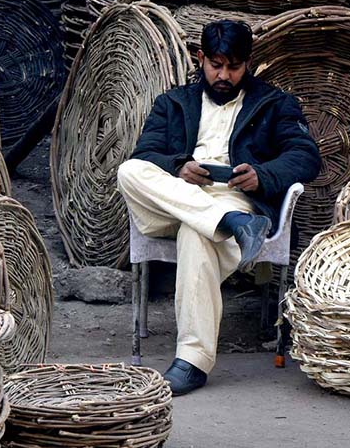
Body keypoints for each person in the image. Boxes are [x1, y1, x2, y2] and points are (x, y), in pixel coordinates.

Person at [117, 19, 322, 396]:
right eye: (216, 65)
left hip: (232, 194)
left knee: (196, 233)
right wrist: (178, 165)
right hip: (174, 199)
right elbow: (146, 154)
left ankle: (191, 362)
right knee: (130, 170)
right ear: (201, 59)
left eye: (234, 66)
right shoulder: (173, 103)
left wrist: (263, 175)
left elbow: (306, 156)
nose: (224, 74)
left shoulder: (274, 104)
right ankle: (232, 223)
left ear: (249, 63)